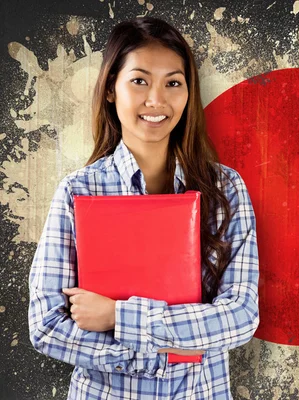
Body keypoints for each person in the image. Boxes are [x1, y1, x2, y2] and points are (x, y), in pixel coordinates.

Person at [27, 16, 259, 399]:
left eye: (173, 83)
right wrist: (159, 352)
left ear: (188, 93)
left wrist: (119, 316)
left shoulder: (225, 189)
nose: (157, 100)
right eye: (139, 81)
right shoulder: (79, 192)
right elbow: (47, 326)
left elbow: (240, 317)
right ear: (110, 90)